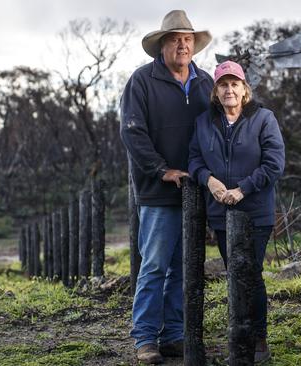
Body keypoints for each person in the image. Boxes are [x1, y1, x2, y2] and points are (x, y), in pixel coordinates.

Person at [119, 9, 214, 364]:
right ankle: (145, 338)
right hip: (158, 190)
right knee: (155, 265)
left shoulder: (206, 82)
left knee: (184, 267)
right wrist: (162, 170)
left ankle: (174, 334)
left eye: (187, 39)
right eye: (175, 39)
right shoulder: (142, 81)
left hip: (195, 191)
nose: (182, 45)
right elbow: (132, 132)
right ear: (162, 45)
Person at [188, 60, 285, 363]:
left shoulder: (264, 119)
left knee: (250, 274)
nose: (229, 89)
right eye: (223, 84)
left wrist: (243, 188)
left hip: (254, 212)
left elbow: (274, 164)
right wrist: (210, 180)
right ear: (215, 92)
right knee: (234, 274)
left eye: (234, 84)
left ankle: (258, 341)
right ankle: (239, 335)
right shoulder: (204, 122)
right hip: (221, 213)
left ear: (244, 90)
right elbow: (193, 160)